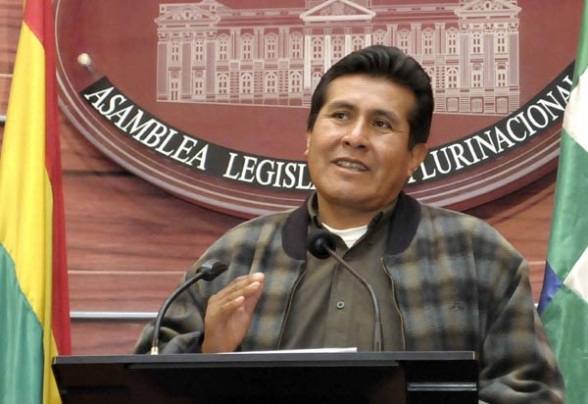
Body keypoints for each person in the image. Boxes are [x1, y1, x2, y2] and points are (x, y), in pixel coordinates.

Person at [133, 45, 564, 402]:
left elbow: (532, 392)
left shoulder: (476, 255)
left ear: (415, 156)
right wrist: (209, 352)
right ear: (309, 137)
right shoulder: (235, 257)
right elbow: (140, 384)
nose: (355, 137)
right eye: (340, 116)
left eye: (381, 124)